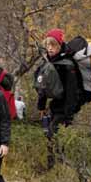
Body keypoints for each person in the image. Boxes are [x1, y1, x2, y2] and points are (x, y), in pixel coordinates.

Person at [36, 28, 80, 168]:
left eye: (53, 45)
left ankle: (55, 168)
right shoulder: (49, 62)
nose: (49, 48)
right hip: (55, 106)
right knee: (52, 136)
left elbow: (72, 93)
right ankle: (57, 167)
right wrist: (41, 106)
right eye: (48, 45)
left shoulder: (68, 65)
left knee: (52, 135)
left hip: (65, 109)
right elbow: (43, 87)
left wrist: (69, 115)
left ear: (60, 45)